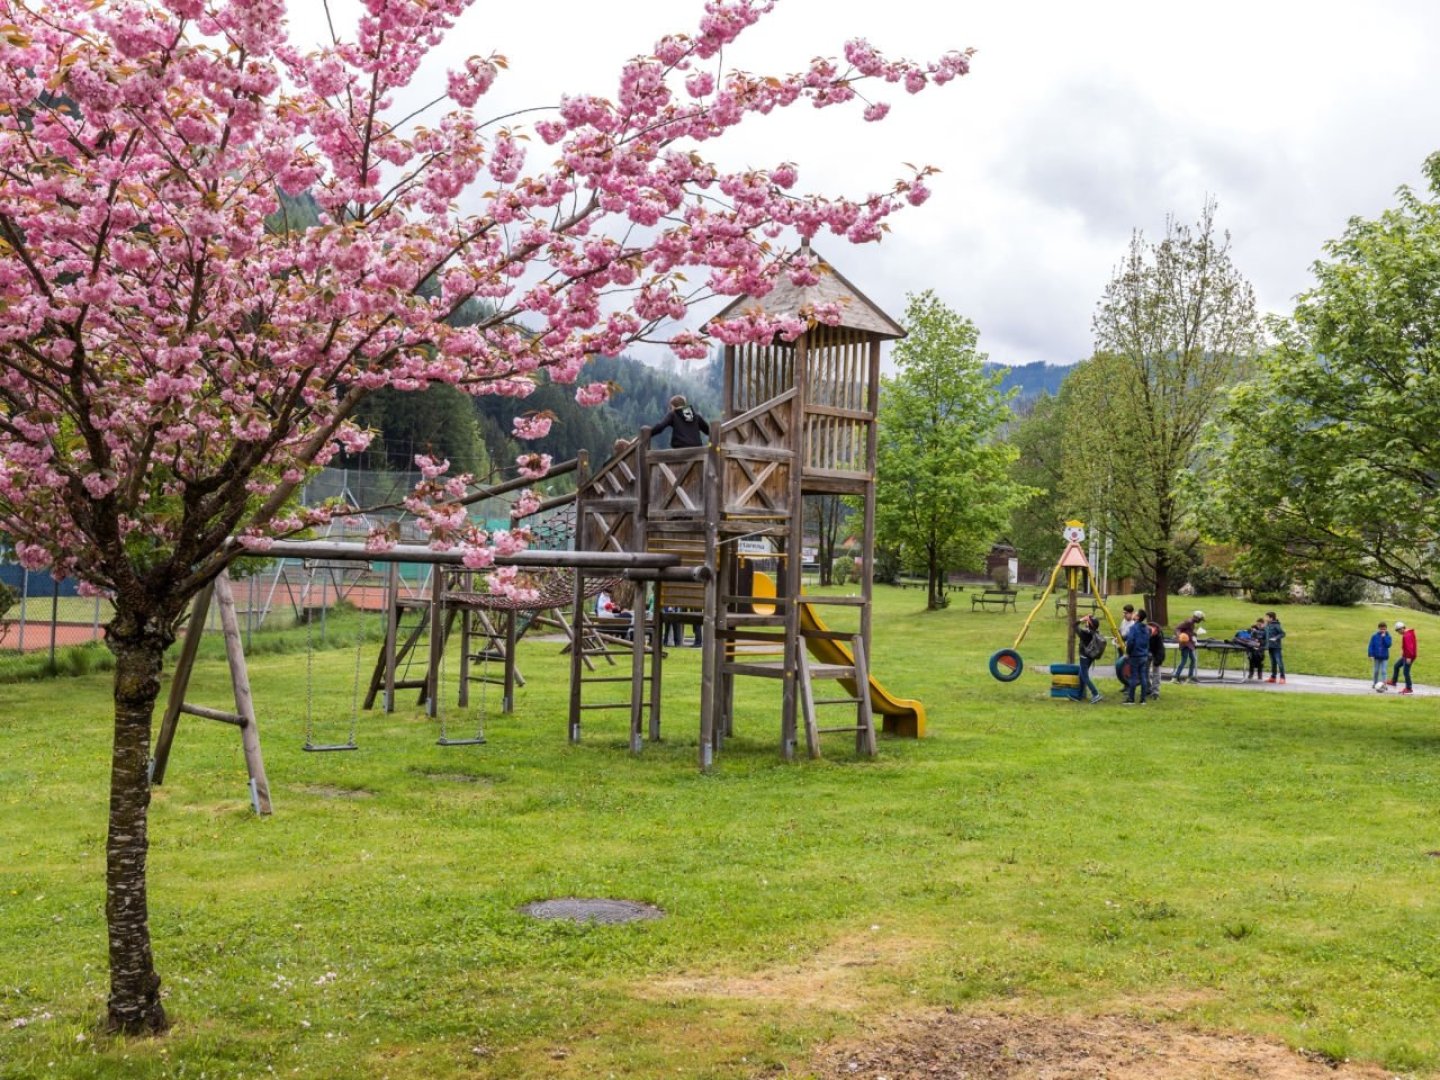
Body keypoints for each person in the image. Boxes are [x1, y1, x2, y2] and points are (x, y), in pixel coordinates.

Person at [1123, 607, 1151, 704]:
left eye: (1135, 613)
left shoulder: (1133, 628)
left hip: (1135, 656)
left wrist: (1128, 652)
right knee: (1143, 676)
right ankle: (1143, 699)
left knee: (1133, 677)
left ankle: (1131, 699)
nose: (1133, 614)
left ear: (1138, 617)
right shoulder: (1146, 629)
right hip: (1144, 655)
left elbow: (1130, 642)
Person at [1076, 614, 1105, 703]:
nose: (1086, 622)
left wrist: (1081, 619)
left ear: (1090, 624)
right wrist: (1088, 620)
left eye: (1087, 622)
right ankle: (1079, 696)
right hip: (1090, 657)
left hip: (1084, 657)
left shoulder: (1084, 634)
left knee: (1084, 676)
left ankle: (1095, 694)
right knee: (1081, 676)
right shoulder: (1095, 633)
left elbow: (1074, 625)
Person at [1172, 610, 1203, 683]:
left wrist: (1195, 633)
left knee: (1193, 659)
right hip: (1185, 643)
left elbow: (1188, 632)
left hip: (1189, 644)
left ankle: (1190, 678)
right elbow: (1177, 628)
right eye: (1200, 619)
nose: (1200, 621)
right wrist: (1180, 636)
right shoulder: (1188, 622)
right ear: (1196, 618)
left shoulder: (1192, 623)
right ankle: (1175, 677)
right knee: (1184, 660)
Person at [1390, 620, 1417, 695]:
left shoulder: (1406, 635)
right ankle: (1393, 682)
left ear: (1401, 629)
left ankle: (1409, 688)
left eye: (1398, 631)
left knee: (1406, 672)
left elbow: (1409, 647)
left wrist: (1408, 657)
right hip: (1406, 655)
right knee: (1396, 666)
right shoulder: (1408, 633)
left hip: (1409, 656)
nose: (1398, 633)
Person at [1263, 611, 1287, 683]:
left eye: (1267, 617)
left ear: (1271, 618)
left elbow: (1282, 633)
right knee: (1273, 662)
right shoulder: (1267, 625)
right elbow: (1265, 635)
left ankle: (1282, 678)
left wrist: (1276, 638)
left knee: (1279, 662)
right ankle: (1273, 677)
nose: (1265, 618)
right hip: (1270, 647)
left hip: (1276, 647)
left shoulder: (1276, 625)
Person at [1368, 621, 1392, 690]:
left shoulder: (1388, 636)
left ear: (1386, 629)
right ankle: (1375, 683)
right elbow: (1371, 646)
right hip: (1376, 657)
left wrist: (1384, 637)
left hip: (1384, 657)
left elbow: (1388, 645)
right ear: (1378, 629)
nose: (1382, 630)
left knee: (1384, 671)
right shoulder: (1374, 636)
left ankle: (1384, 685)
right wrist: (1370, 654)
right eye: (1381, 629)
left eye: (1384, 629)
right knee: (1376, 671)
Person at [1147, 617, 1166, 698]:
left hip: (1155, 654)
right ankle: (1148, 688)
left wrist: (1158, 660)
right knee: (1144, 673)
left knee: (1156, 673)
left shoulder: (1158, 637)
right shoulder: (1143, 634)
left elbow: (1161, 650)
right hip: (1145, 653)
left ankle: (1155, 692)